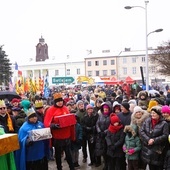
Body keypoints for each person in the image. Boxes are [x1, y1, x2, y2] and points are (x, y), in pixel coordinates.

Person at [44, 92, 75, 170]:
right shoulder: (51, 110)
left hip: (67, 135)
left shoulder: (65, 108)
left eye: (61, 101)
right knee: (58, 155)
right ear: (55, 102)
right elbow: (47, 123)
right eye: (58, 101)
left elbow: (69, 119)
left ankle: (72, 167)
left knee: (68, 154)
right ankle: (59, 168)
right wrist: (53, 125)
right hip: (57, 137)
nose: (60, 102)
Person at [140, 106, 169, 170]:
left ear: (159, 114)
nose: (152, 114)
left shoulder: (164, 123)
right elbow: (142, 131)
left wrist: (154, 140)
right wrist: (148, 139)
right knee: (150, 166)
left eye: (154, 113)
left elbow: (165, 135)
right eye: (151, 113)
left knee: (157, 166)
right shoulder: (147, 121)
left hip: (157, 149)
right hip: (147, 148)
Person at [95, 102, 112, 169]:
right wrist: (99, 131)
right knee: (103, 151)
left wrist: (105, 132)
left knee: (108, 151)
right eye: (104, 109)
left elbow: (111, 125)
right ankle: (105, 164)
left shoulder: (111, 116)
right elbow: (97, 124)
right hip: (101, 136)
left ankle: (109, 165)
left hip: (108, 136)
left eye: (107, 109)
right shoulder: (100, 115)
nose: (105, 110)